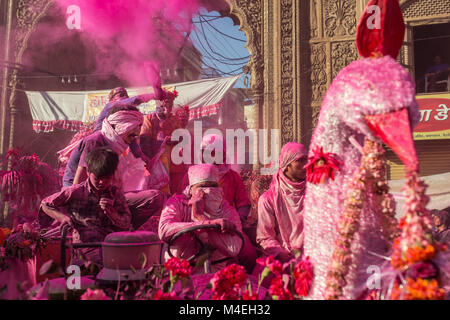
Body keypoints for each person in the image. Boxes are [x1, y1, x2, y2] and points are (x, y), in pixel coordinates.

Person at [67, 107, 165, 229]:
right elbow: (77, 185)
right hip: (84, 200)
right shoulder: (95, 142)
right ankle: (119, 230)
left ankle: (120, 229)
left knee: (156, 198)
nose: (135, 136)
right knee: (154, 198)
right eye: (132, 132)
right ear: (117, 126)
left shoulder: (115, 143)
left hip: (104, 197)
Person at [40, 147, 131, 264]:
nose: (102, 183)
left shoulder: (116, 193)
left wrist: (112, 213)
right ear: (88, 172)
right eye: (97, 178)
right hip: (84, 246)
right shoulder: (75, 191)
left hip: (111, 244)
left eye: (107, 178)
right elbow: (45, 204)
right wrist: (63, 218)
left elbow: (127, 222)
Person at [61, 87, 163, 187]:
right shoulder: (96, 141)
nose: (136, 133)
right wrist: (153, 95)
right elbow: (77, 185)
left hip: (97, 190)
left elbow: (137, 152)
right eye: (121, 95)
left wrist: (152, 164)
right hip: (78, 190)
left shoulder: (123, 138)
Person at [158, 164, 243, 272]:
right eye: (202, 186)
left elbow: (233, 248)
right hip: (179, 271)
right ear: (191, 189)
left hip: (214, 274)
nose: (208, 191)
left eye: (213, 186)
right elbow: (164, 231)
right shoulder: (176, 203)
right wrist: (207, 225)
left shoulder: (226, 210)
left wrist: (200, 217)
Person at [199, 134, 257, 272]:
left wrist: (237, 220)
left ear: (224, 153)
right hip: (199, 227)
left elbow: (243, 204)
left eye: (215, 153)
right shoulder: (194, 175)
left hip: (229, 226)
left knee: (249, 255)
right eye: (207, 153)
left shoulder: (233, 177)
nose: (211, 157)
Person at [256, 142, 308, 263]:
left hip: (312, 256)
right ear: (286, 165)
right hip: (283, 259)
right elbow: (265, 237)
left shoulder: (315, 192)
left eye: (306, 159)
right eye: (300, 161)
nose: (306, 165)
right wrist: (283, 257)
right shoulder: (268, 199)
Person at [140, 89, 179, 194]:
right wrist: (148, 160)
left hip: (174, 160)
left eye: (170, 103)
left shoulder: (174, 119)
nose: (168, 106)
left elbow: (181, 137)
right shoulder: (149, 118)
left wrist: (173, 140)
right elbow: (144, 139)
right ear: (159, 103)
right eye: (165, 102)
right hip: (155, 158)